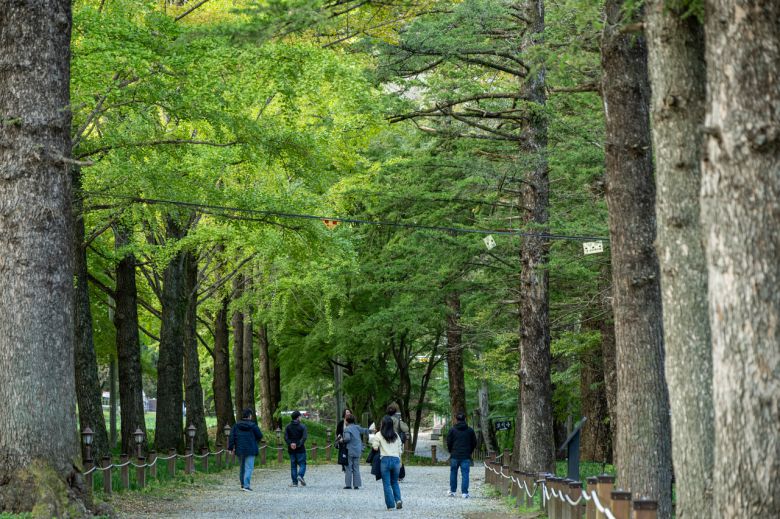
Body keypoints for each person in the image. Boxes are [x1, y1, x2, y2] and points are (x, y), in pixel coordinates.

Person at [371, 415, 403, 511]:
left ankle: (390, 505)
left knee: (387, 484)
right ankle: (398, 500)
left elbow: (375, 447)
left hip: (385, 460)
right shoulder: (396, 435)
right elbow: (400, 449)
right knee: (395, 482)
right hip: (396, 460)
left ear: (382, 424)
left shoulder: (379, 434)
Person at [228, 408, 263, 491]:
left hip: (240, 449)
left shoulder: (236, 426)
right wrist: (255, 442)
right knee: (249, 468)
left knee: (242, 467)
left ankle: (243, 484)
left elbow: (232, 437)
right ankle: (246, 486)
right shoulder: (253, 426)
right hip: (251, 449)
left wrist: (230, 448)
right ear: (249, 416)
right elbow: (260, 435)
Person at [446, 412, 477, 498]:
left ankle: (452, 491)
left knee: (453, 473)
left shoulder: (452, 430)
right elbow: (474, 443)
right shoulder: (470, 430)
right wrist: (469, 451)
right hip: (466, 456)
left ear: (456, 419)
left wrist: (451, 451)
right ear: (465, 419)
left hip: (455, 455)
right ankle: (464, 493)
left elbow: (448, 442)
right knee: (465, 474)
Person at [342, 415, 370, 489]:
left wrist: (342, 440)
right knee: (356, 468)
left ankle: (348, 485)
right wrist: (371, 431)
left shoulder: (347, 429)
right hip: (358, 450)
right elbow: (364, 430)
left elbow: (347, 438)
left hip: (350, 450)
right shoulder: (357, 427)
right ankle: (356, 485)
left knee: (348, 468)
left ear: (347, 421)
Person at [386, 404, 410, 481]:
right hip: (396, 441)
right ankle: (400, 475)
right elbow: (406, 429)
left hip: (386, 441)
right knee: (398, 457)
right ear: (395, 412)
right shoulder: (398, 420)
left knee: (387, 457)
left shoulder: (385, 420)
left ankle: (389, 475)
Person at [285, 410, 308, 487]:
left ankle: (294, 482)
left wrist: (290, 443)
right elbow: (304, 437)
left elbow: (286, 437)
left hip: (291, 449)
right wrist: (298, 444)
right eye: (300, 416)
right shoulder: (302, 426)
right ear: (298, 417)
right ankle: (300, 476)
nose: (301, 418)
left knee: (293, 465)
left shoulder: (287, 426)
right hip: (300, 449)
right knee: (302, 464)